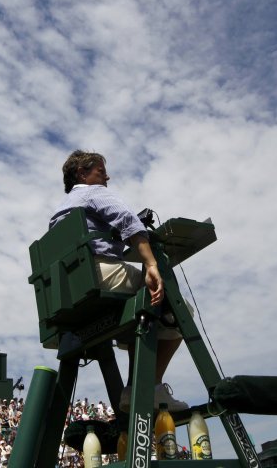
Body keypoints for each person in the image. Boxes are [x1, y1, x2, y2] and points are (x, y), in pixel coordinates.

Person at [50, 150, 188, 412]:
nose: (107, 176)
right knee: (177, 305)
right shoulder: (93, 193)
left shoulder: (59, 210)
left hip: (71, 291)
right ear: (82, 173)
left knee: (143, 310)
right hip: (99, 275)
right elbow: (128, 220)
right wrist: (150, 264)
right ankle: (151, 386)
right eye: (101, 171)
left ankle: (133, 389)